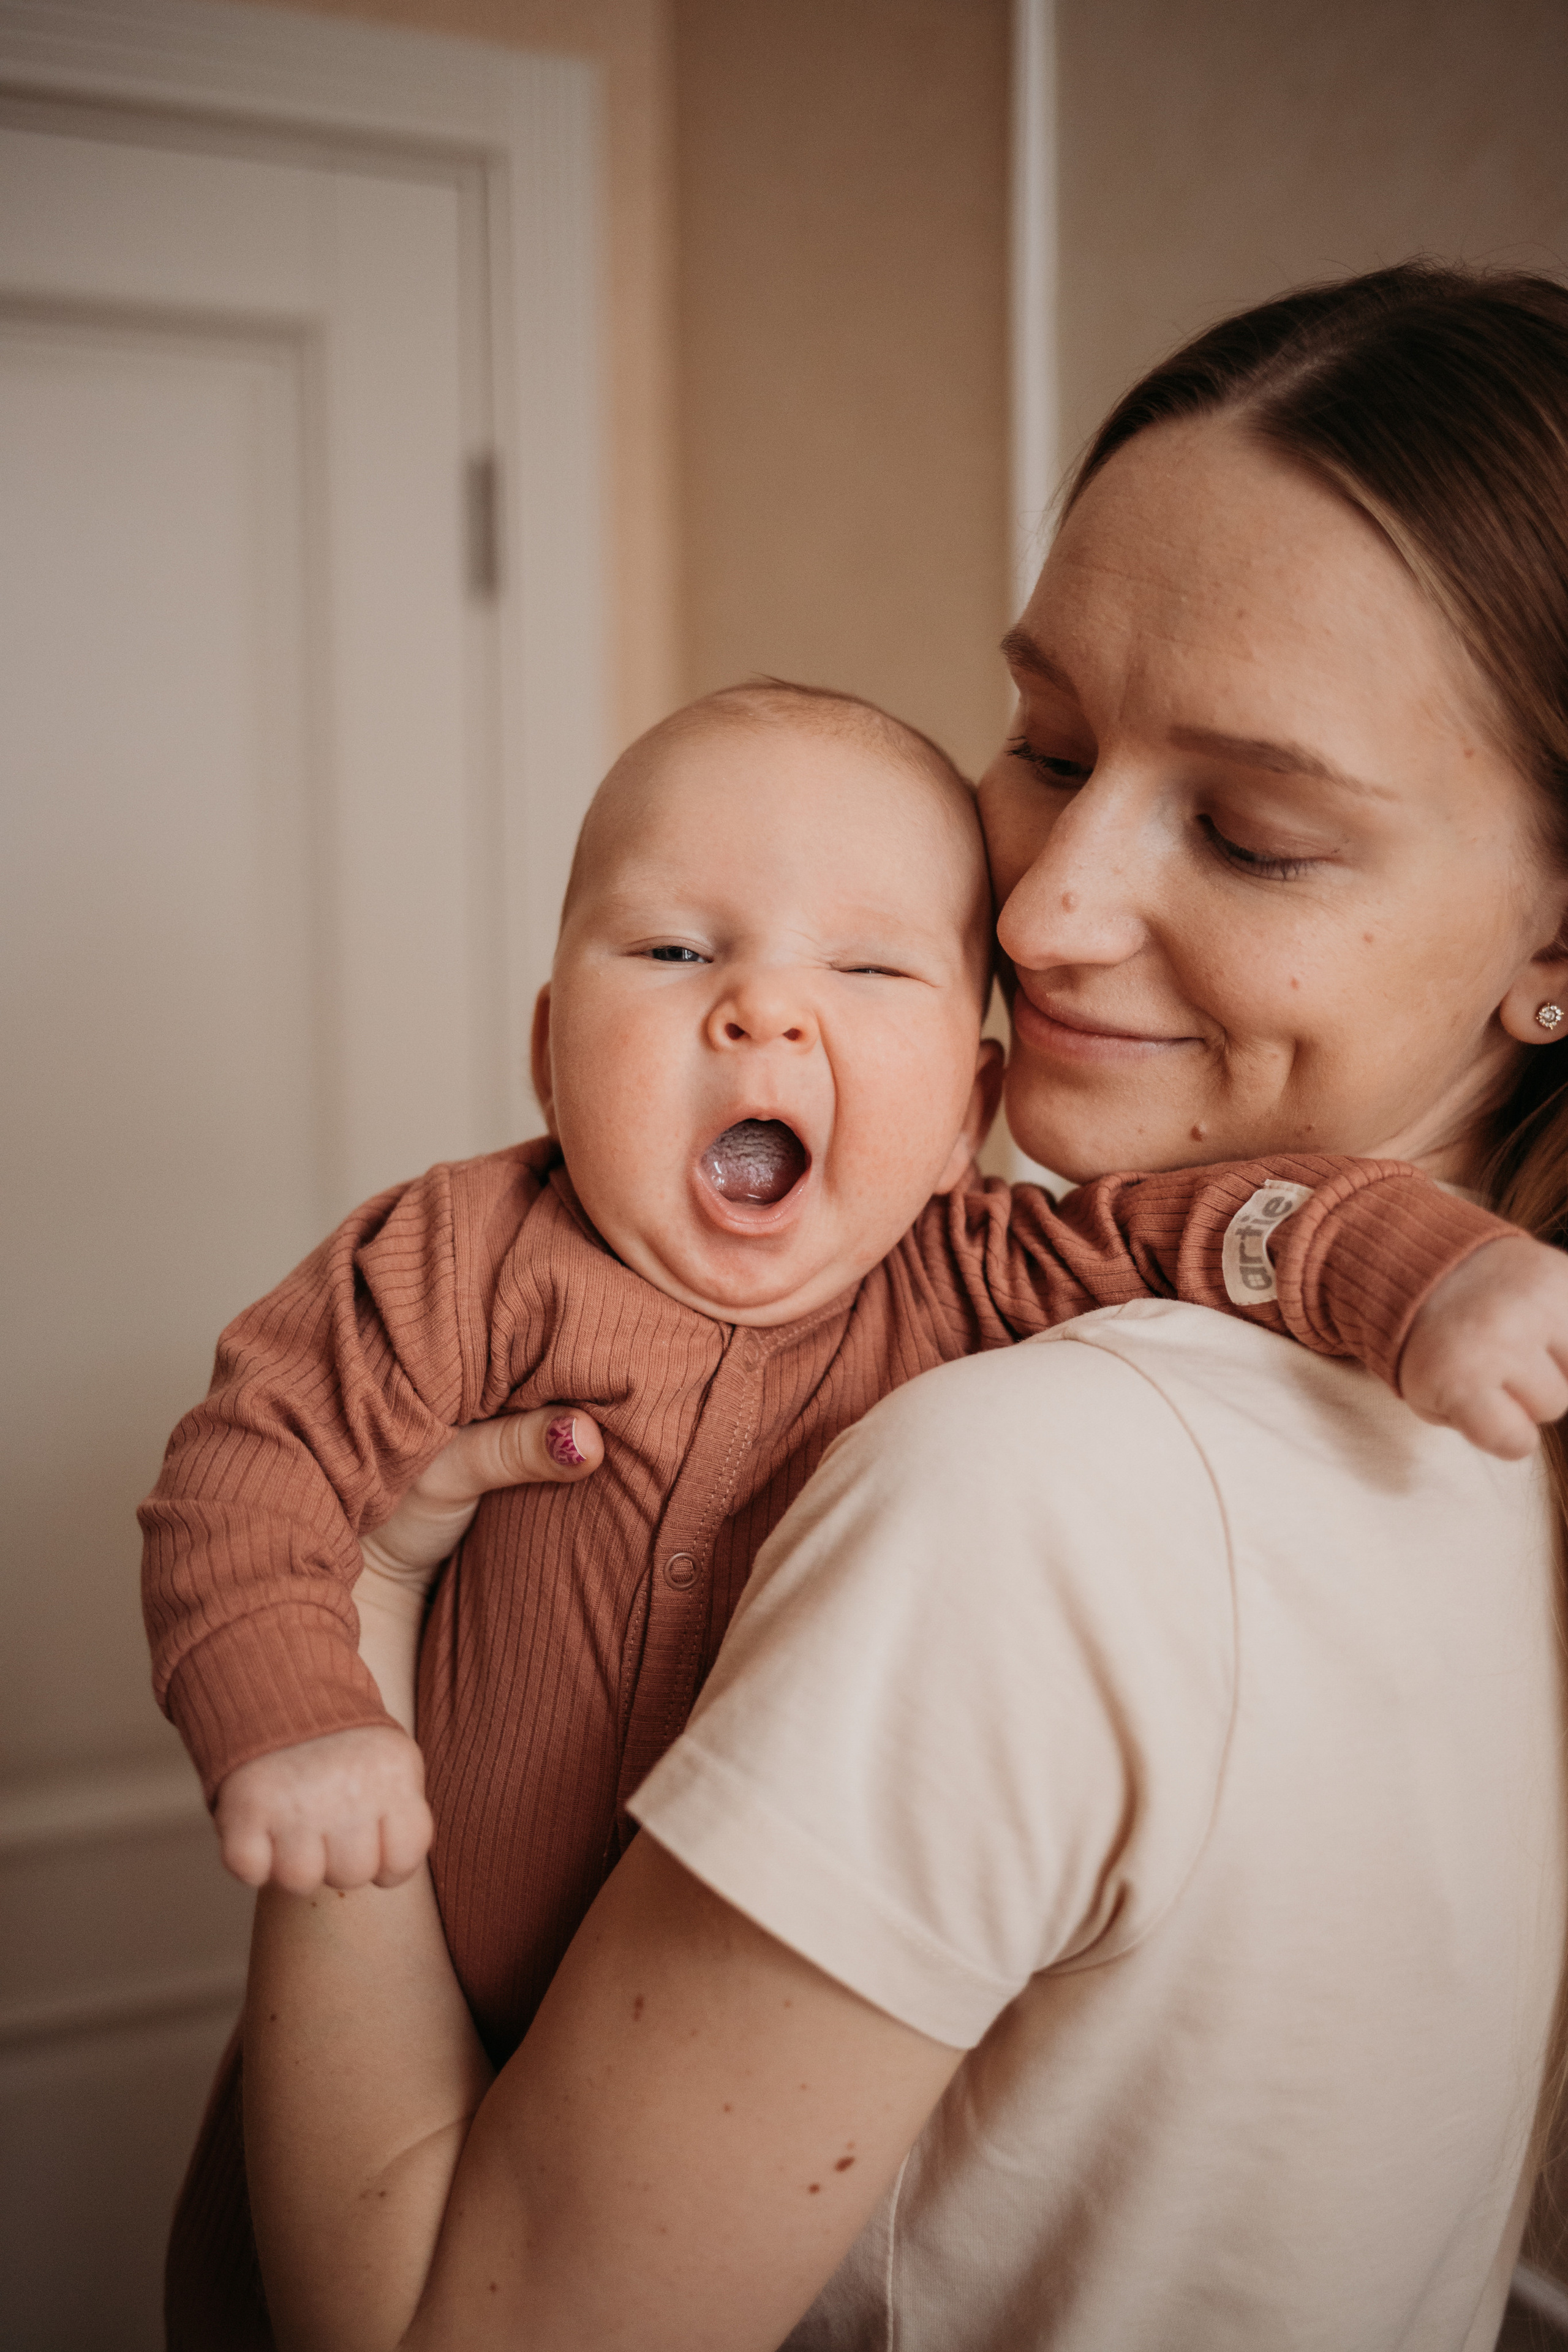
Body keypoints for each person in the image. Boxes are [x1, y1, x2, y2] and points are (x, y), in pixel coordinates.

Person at [239, 262, 1568, 2352]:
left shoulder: (1029, 1490)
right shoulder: (1491, 1423)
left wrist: (373, 1625)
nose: (1038, 910)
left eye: (1249, 831)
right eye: (1044, 739)